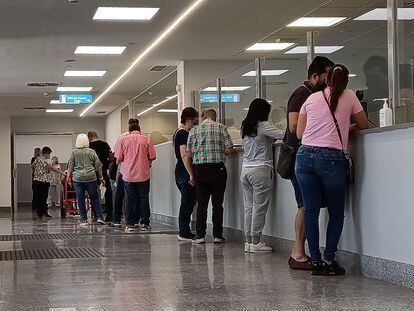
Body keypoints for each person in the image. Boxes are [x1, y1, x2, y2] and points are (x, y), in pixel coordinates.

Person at [295, 64, 368, 276]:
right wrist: (347, 127)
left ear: (326, 80)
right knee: (336, 212)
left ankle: (315, 261)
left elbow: (300, 133)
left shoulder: (311, 98)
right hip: (331, 158)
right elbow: (364, 124)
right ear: (346, 81)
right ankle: (329, 258)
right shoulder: (351, 96)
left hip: (304, 157)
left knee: (311, 210)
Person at [284, 56, 334, 270]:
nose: (330, 80)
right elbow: (295, 126)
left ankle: (300, 252)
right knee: (305, 206)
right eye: (326, 76)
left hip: (308, 157)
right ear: (315, 76)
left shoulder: (316, 95)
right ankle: (298, 253)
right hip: (301, 158)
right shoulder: (302, 94)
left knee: (308, 206)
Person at [241, 99, 284, 253]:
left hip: (245, 170)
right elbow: (283, 134)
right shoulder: (263, 125)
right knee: (259, 207)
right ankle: (256, 242)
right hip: (260, 170)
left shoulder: (244, 126)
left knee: (249, 207)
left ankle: (248, 241)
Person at [187, 108, 235, 244]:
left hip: (200, 170)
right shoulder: (221, 127)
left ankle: (200, 235)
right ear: (215, 117)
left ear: (202, 117)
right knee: (217, 204)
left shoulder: (194, 130)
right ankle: (217, 236)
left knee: (201, 204)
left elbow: (189, 153)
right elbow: (230, 148)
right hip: (217, 169)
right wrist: (222, 151)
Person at [115, 121, 156, 232]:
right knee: (144, 198)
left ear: (130, 130)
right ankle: (145, 223)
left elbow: (118, 158)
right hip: (143, 173)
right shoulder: (146, 139)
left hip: (128, 174)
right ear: (139, 129)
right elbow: (152, 156)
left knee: (129, 199)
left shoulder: (123, 140)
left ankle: (130, 224)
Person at [67, 134, 106, 227]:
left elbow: (70, 167)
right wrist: (101, 178)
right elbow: (98, 167)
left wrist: (68, 178)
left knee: (80, 199)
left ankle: (84, 219)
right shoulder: (92, 152)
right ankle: (100, 217)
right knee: (95, 198)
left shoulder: (74, 152)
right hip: (91, 178)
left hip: (78, 179)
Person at [173, 107, 199, 241]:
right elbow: (184, 154)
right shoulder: (183, 133)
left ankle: (185, 230)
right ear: (188, 119)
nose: (195, 124)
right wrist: (191, 174)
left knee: (188, 201)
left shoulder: (178, 132)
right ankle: (184, 231)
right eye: (194, 121)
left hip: (181, 170)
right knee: (187, 201)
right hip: (184, 171)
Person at [111, 118, 140, 227]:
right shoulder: (143, 137)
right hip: (139, 173)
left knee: (120, 196)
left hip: (125, 171)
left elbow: (117, 156)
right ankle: (136, 220)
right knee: (136, 197)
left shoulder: (122, 137)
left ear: (128, 125)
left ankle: (117, 219)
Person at [32, 147, 65, 219]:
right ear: (46, 153)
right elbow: (52, 168)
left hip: (36, 181)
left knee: (38, 198)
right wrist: (62, 173)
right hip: (43, 182)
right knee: (43, 198)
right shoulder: (44, 160)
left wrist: (38, 173)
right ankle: (44, 212)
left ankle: (39, 213)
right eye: (49, 154)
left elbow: (32, 167)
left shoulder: (36, 159)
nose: (49, 156)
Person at [88, 130, 114, 222]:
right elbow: (111, 158)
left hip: (92, 172)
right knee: (108, 193)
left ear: (89, 137)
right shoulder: (105, 144)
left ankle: (96, 215)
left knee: (93, 194)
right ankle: (110, 214)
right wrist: (107, 165)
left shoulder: (88, 147)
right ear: (96, 135)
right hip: (103, 171)